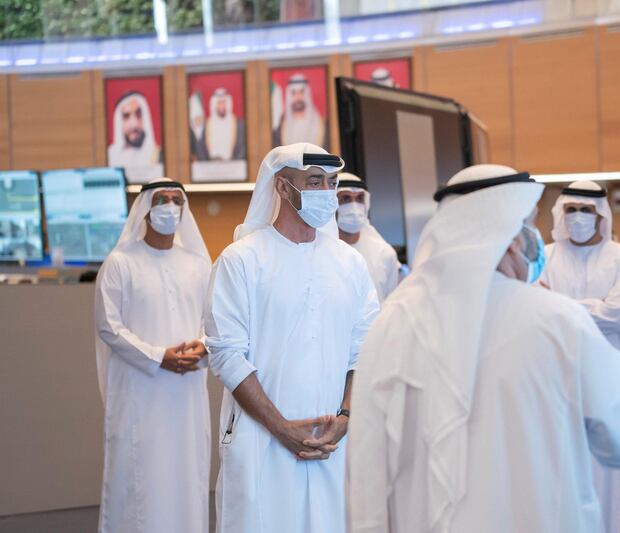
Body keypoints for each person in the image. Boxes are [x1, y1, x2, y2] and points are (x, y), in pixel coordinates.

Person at [347, 165, 620, 533]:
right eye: (530, 226)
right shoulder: (558, 320)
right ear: (509, 237)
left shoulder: (391, 324)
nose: (534, 240)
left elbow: (365, 476)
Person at [204, 143, 380, 533]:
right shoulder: (241, 260)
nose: (327, 192)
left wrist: (346, 417)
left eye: (331, 182)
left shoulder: (349, 263)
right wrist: (283, 429)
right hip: (262, 441)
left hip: (333, 444)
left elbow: (365, 349)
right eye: (314, 181)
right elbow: (227, 356)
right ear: (283, 188)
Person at [94, 178, 212, 533]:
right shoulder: (120, 263)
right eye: (163, 199)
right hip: (141, 392)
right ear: (145, 208)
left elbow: (216, 319)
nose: (171, 207)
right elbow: (108, 326)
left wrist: (203, 346)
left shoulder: (198, 263)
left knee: (187, 475)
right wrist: (159, 356)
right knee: (140, 477)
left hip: (188, 394)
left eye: (178, 200)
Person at [539, 180, 620, 533]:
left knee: (606, 483)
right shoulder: (544, 254)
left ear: (602, 215)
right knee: (556, 477)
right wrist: (588, 307)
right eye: (571, 209)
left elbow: (618, 314)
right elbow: (533, 310)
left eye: (587, 210)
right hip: (553, 382)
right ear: (560, 212)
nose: (579, 217)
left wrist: (557, 303)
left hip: (605, 384)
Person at [336, 173, 400, 303]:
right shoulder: (317, 252)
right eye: (346, 199)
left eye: (359, 199)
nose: (354, 206)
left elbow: (390, 304)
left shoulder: (385, 254)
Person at [108, 92, 163, 181]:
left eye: (138, 115)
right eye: (126, 116)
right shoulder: (110, 155)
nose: (134, 124)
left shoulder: (158, 155)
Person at [273, 74, 326, 147]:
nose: (298, 97)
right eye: (294, 93)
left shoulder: (322, 123)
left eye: (301, 92)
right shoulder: (280, 126)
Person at [206, 88, 245, 161]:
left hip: (233, 168)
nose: (222, 106)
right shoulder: (207, 125)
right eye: (219, 103)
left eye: (224, 102)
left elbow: (242, 148)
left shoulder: (238, 124)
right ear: (214, 104)